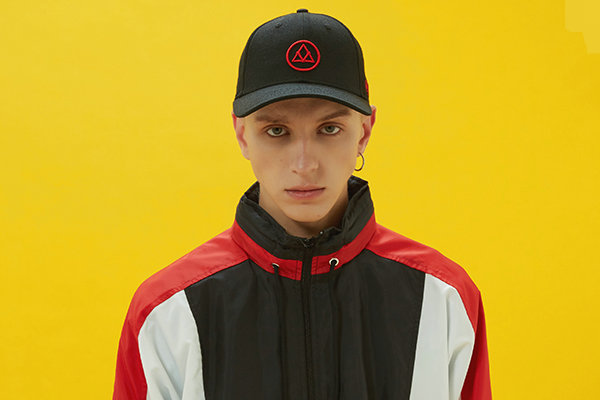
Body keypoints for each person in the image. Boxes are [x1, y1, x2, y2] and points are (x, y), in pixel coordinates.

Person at [113, 9, 492, 400]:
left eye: (329, 128)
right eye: (277, 130)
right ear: (242, 135)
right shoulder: (167, 312)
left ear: (364, 132)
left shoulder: (444, 299)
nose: (304, 164)